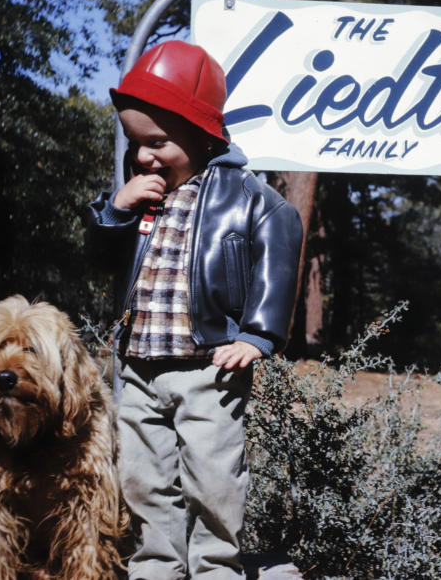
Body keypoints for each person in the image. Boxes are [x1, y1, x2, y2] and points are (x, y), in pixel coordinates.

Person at [87, 40, 303, 579]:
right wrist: (115, 211)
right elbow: (97, 260)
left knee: (213, 476)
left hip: (208, 365)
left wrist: (257, 336)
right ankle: (157, 565)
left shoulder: (247, 197)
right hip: (139, 365)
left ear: (202, 134)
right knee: (143, 474)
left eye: (157, 142)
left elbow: (278, 258)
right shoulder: (140, 194)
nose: (143, 157)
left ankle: (214, 568)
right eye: (136, 143)